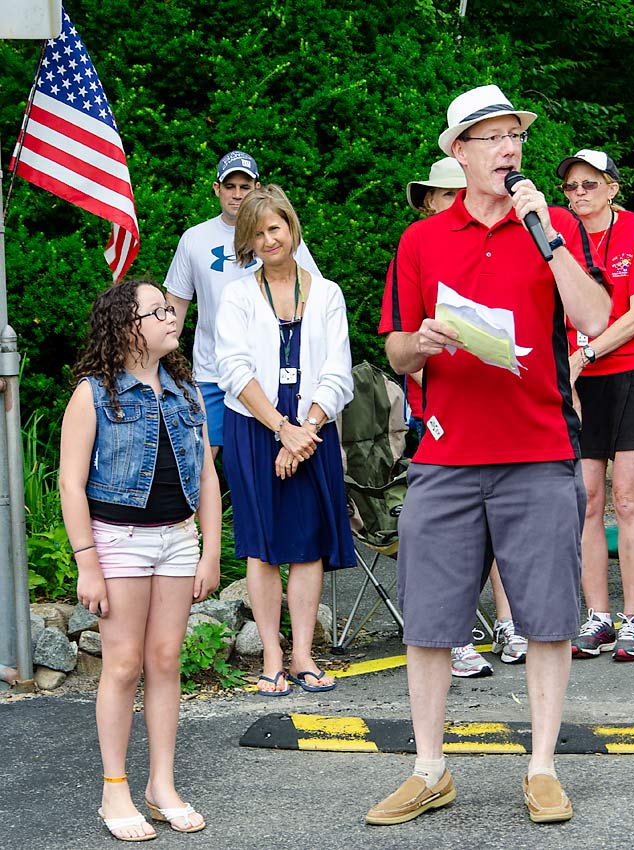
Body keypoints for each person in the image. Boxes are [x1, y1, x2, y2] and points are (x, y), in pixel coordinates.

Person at [367, 84, 610, 827]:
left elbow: (597, 318)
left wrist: (550, 232)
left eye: (515, 138)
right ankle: (429, 768)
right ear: (459, 154)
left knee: (546, 617)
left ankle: (540, 769)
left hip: (536, 450)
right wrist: (424, 341)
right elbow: (396, 349)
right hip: (445, 456)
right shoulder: (422, 241)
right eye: (492, 138)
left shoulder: (556, 224)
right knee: (430, 621)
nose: (509, 150)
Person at [59, 279, 221, 841]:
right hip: (117, 541)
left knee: (166, 661)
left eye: (169, 308)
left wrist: (210, 549)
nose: (172, 316)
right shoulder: (93, 394)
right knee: (123, 665)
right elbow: (71, 483)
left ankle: (162, 785)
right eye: (157, 311)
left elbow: (205, 476)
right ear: (128, 328)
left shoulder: (186, 391)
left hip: (177, 540)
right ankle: (114, 789)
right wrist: (87, 562)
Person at [215, 185, 356, 696]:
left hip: (312, 431)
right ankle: (271, 653)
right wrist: (282, 429)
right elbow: (233, 368)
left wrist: (306, 431)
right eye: (257, 232)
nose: (268, 238)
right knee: (262, 545)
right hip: (255, 429)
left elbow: (338, 372)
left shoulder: (328, 293)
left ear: (291, 229)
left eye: (275, 227)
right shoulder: (236, 296)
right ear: (246, 242)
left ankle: (302, 653)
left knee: (306, 545)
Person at [405, 157, 527, 676]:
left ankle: (506, 620)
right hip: (437, 412)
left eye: (454, 193)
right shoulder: (421, 243)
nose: (447, 201)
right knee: (451, 537)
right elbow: (403, 346)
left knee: (502, 531)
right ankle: (452, 634)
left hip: (504, 407)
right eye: (440, 194)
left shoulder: (510, 236)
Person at [558, 149, 634, 663]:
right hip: (581, 380)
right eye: (571, 187)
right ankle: (598, 616)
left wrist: (586, 352)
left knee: (627, 500)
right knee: (584, 501)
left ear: (611, 187)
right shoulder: (557, 238)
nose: (579, 194)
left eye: (589, 184)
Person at [165, 150, 321, 456]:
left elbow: (312, 298)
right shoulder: (194, 239)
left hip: (270, 373)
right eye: (230, 186)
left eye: (245, 186)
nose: (237, 194)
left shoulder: (280, 237)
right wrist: (165, 367)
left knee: (267, 460)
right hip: (211, 374)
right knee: (202, 463)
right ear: (216, 189)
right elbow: (174, 309)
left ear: (257, 188)